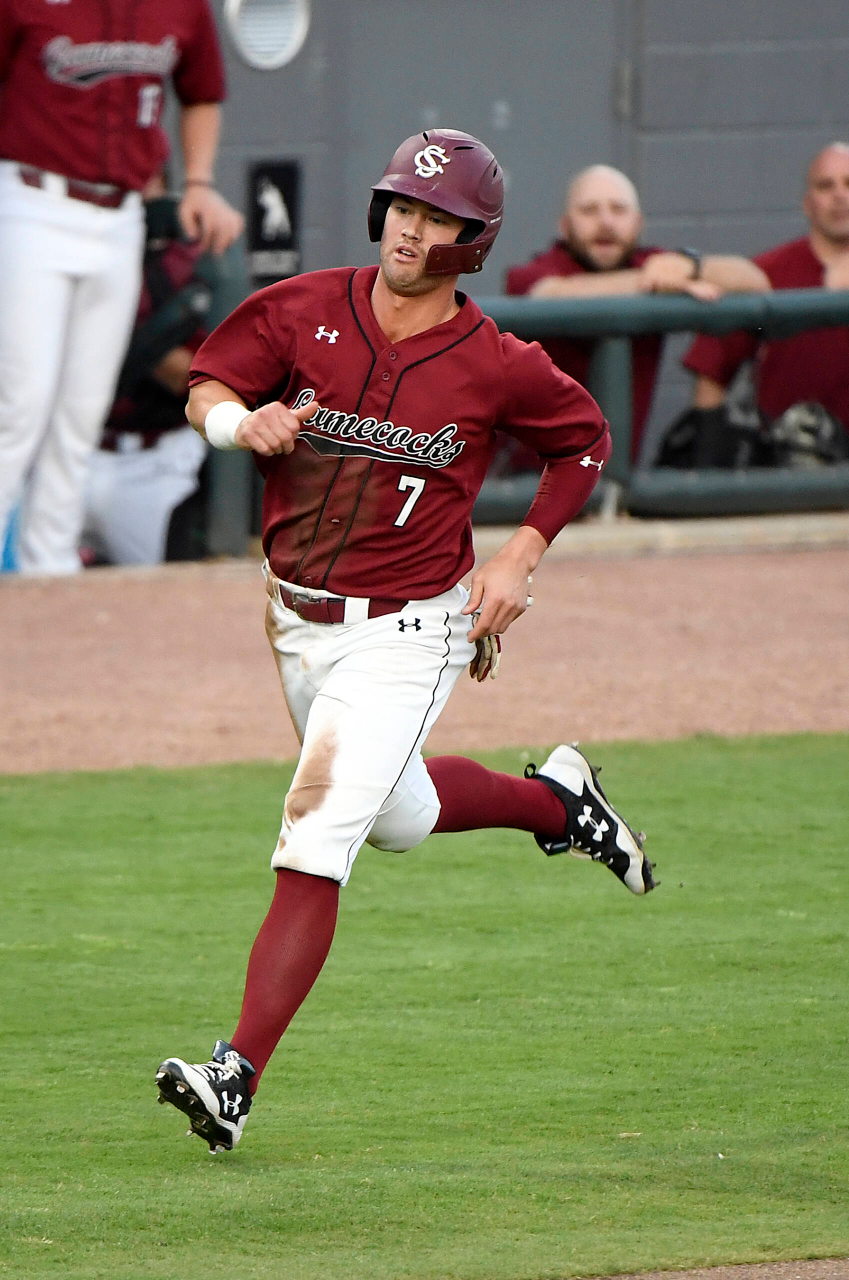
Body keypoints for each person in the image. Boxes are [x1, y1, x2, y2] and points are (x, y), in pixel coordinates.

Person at [154, 130, 657, 1156]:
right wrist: (235, 426)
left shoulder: (495, 361)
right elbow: (208, 381)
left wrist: (520, 555)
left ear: (473, 242)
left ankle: (233, 1075)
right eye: (402, 207)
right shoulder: (302, 307)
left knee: (318, 831)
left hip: (412, 627)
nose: (411, 229)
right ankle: (559, 801)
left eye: (437, 219)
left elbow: (586, 441)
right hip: (294, 616)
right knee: (396, 814)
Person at [0, 0, 243, 576]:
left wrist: (200, 181)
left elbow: (202, 92)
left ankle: (49, 558)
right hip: (30, 201)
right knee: (20, 397)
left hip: (120, 214)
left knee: (83, 405)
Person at [504, 164, 769, 461]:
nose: (605, 222)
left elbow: (756, 281)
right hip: (526, 489)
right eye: (589, 210)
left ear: (639, 223)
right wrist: (652, 281)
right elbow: (548, 294)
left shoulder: (654, 263)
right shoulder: (534, 272)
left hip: (613, 488)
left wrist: (689, 266)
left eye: (618, 210)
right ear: (564, 225)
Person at [78, 180, 212, 567]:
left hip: (154, 462)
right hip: (72, 452)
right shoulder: (58, 251)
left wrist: (119, 338)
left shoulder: (178, 260)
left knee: (165, 606)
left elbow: (196, 378)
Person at [682, 143, 849, 448]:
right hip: (785, 466)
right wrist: (708, 451)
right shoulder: (766, 273)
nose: (840, 195)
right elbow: (712, 370)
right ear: (807, 203)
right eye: (826, 186)